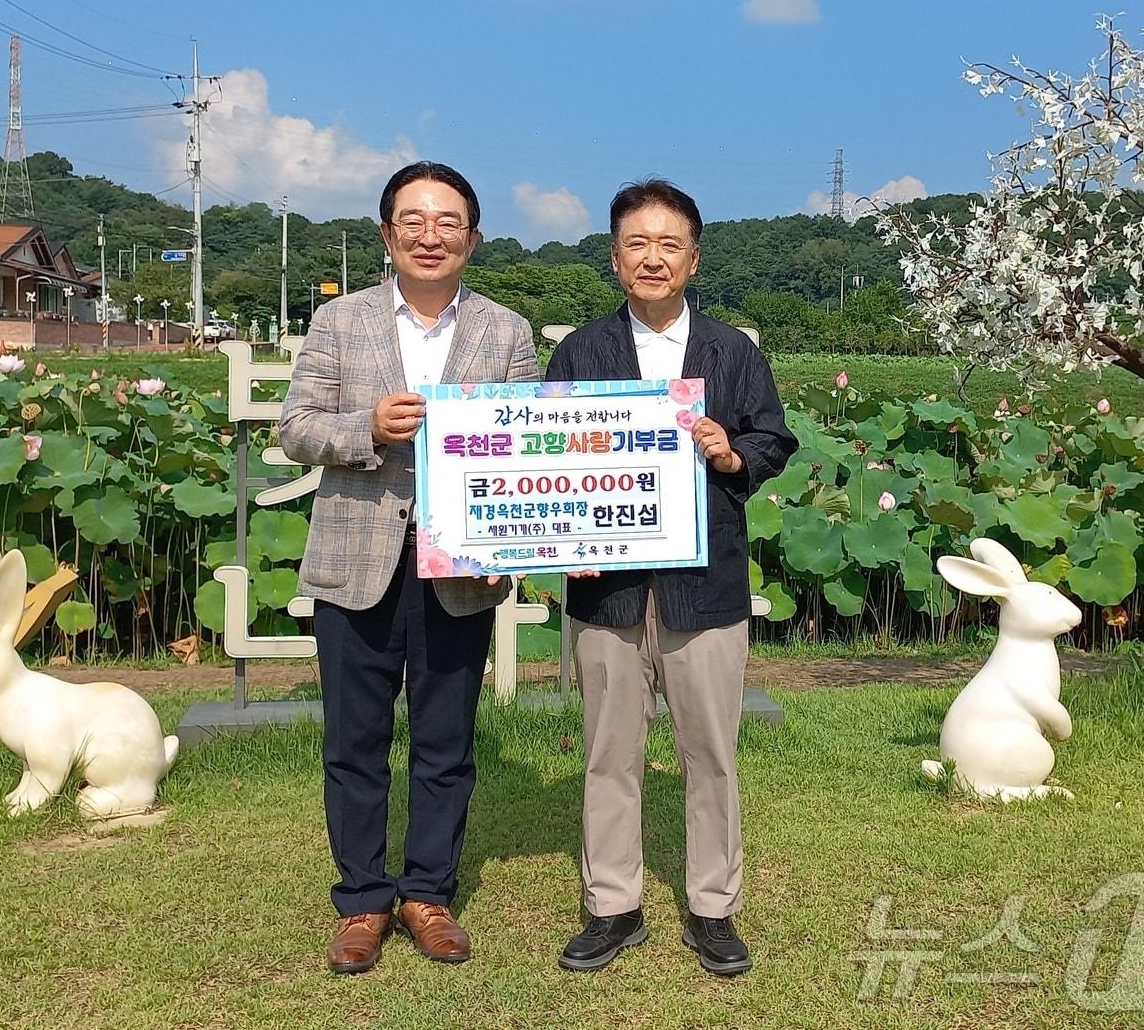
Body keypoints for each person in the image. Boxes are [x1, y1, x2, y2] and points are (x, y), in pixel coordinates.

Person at [279, 161, 540, 974]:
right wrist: (368, 427)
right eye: (414, 221)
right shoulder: (338, 322)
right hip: (354, 555)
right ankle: (362, 900)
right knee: (353, 740)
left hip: (458, 564)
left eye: (449, 222)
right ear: (388, 233)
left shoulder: (507, 332)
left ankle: (428, 893)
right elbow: (296, 428)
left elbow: (528, 452)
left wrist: (513, 548)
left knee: (445, 741)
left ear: (474, 237)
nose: (432, 236)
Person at [546, 180, 797, 977]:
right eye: (636, 243)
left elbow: (773, 440)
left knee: (711, 753)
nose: (652, 257)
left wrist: (730, 454)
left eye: (669, 244)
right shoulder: (580, 353)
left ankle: (713, 908)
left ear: (693, 258)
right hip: (605, 589)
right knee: (608, 753)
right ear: (614, 257)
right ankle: (612, 906)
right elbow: (541, 461)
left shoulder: (732, 352)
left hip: (706, 585)